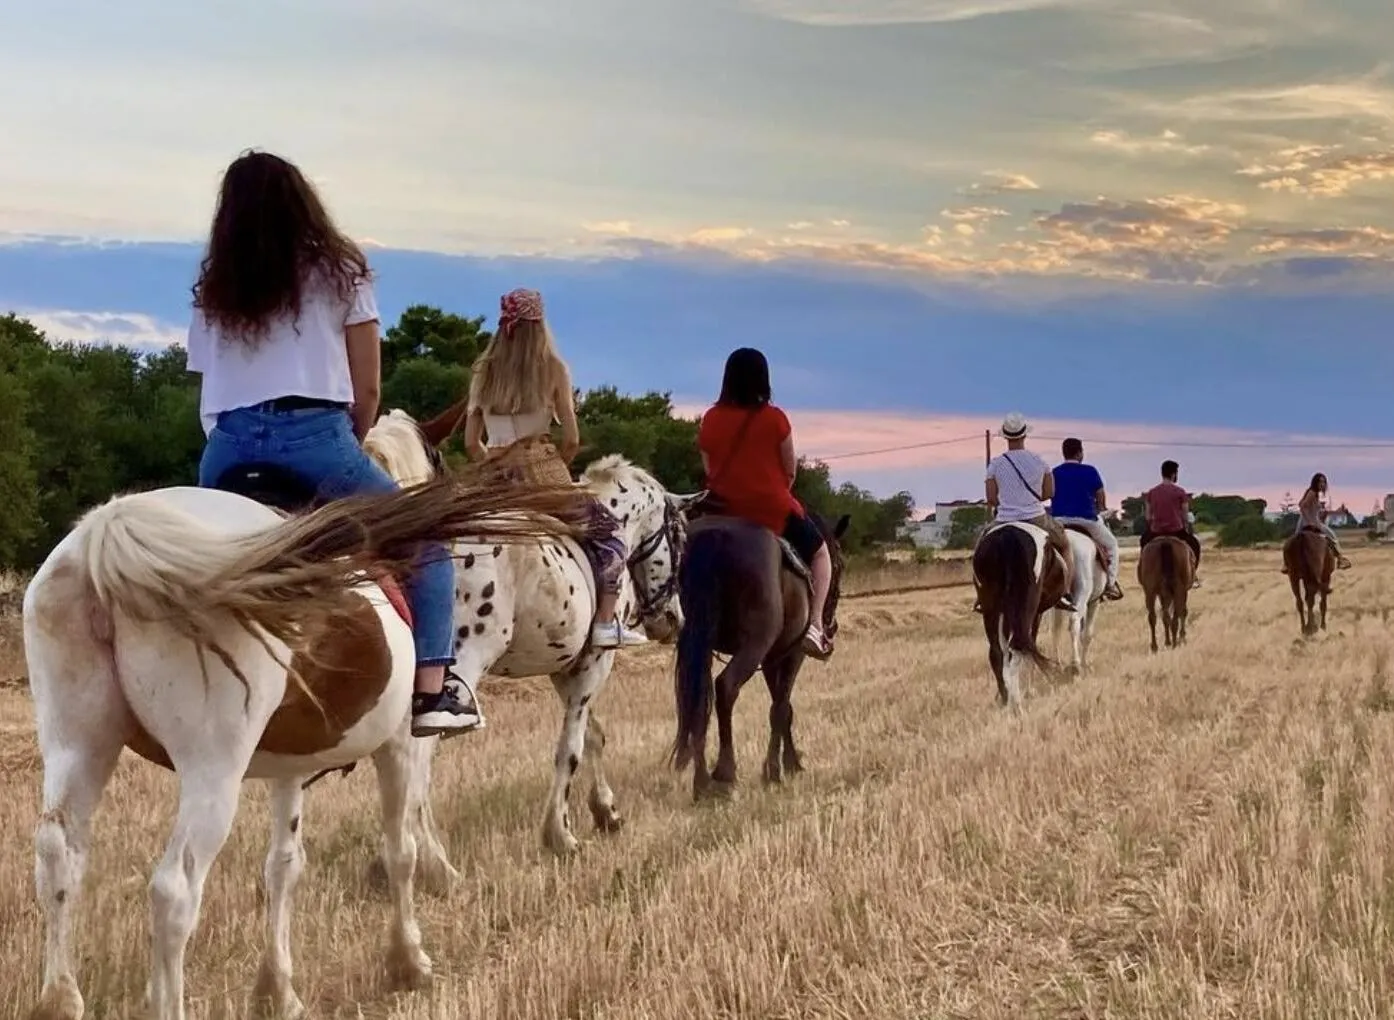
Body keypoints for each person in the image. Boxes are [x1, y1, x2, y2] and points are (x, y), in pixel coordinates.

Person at [186, 149, 478, 737]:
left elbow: (208, 392)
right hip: (316, 439)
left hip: (227, 445)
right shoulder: (343, 272)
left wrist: (230, 450)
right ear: (303, 203)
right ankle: (433, 691)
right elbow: (367, 388)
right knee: (425, 542)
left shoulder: (216, 285)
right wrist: (348, 439)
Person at [462, 287, 647, 649]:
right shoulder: (553, 369)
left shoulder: (484, 372)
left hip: (491, 479)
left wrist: (493, 465)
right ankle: (606, 624)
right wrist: (550, 467)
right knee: (610, 534)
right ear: (540, 323)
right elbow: (572, 439)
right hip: (542, 476)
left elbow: (471, 444)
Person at [696, 347, 834, 659]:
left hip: (720, 509)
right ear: (764, 379)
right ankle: (814, 626)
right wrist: (773, 491)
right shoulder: (775, 419)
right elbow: (789, 470)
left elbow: (708, 469)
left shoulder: (711, 419)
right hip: (770, 510)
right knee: (822, 554)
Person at [975, 412, 1077, 613]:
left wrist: (1008, 502)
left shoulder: (995, 464)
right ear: (1024, 435)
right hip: (1035, 517)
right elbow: (1049, 492)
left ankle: (982, 594)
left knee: (980, 548)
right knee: (1065, 544)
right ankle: (1064, 593)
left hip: (1004, 519)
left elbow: (991, 498)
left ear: (1005, 436)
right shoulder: (1039, 462)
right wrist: (1030, 499)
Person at [1050, 437, 1124, 601]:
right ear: (1080, 453)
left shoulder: (1054, 472)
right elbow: (1100, 496)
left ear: (1064, 453)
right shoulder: (1090, 471)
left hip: (1059, 521)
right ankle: (1110, 585)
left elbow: (1049, 494)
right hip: (1087, 520)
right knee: (1112, 546)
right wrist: (1101, 508)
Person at [1141, 460, 1203, 588]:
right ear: (1174, 474)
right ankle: (1193, 574)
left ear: (1162, 473)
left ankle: (1145, 571)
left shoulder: (1151, 493)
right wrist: (1187, 527)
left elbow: (1147, 516)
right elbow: (1185, 516)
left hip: (1156, 531)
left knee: (1143, 542)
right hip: (1176, 531)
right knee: (1195, 544)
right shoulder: (1180, 492)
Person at [1282, 472, 1353, 579]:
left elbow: (1302, 504)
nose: (1322, 484)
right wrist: (1309, 520)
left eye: (1324, 482)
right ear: (1315, 482)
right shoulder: (1312, 492)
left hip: (1308, 520)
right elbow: (1302, 506)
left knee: (1293, 539)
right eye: (1320, 481)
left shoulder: (1312, 493)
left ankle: (1286, 564)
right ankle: (1340, 558)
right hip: (1311, 521)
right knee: (1332, 536)